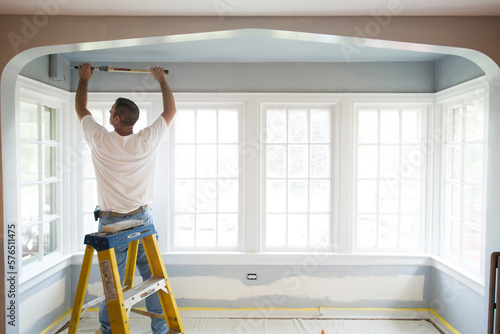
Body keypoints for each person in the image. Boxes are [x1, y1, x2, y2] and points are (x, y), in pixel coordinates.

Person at [75, 63, 176, 334]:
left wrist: (83, 79)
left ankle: (108, 331)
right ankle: (162, 329)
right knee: (151, 276)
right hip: (142, 218)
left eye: (111, 112)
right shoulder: (146, 140)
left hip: (112, 223)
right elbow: (170, 111)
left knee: (113, 281)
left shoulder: (100, 140)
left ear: (117, 119)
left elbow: (81, 110)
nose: (108, 114)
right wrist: (161, 81)